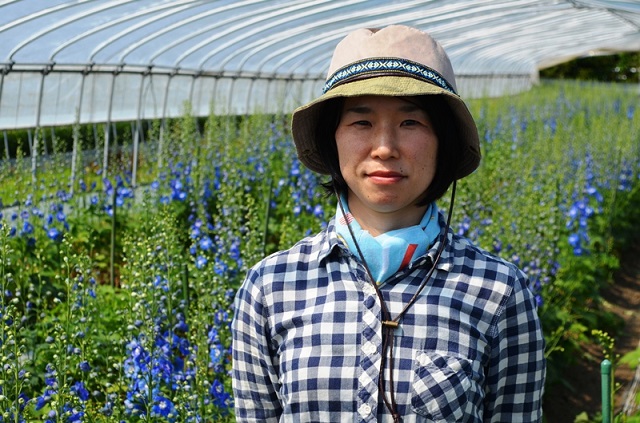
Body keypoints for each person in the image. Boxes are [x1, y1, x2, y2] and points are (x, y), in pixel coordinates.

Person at [232, 25, 545, 422]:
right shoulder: (271, 287)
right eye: (361, 123)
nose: (384, 147)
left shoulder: (498, 292)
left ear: (443, 141)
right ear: (333, 139)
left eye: (410, 123)